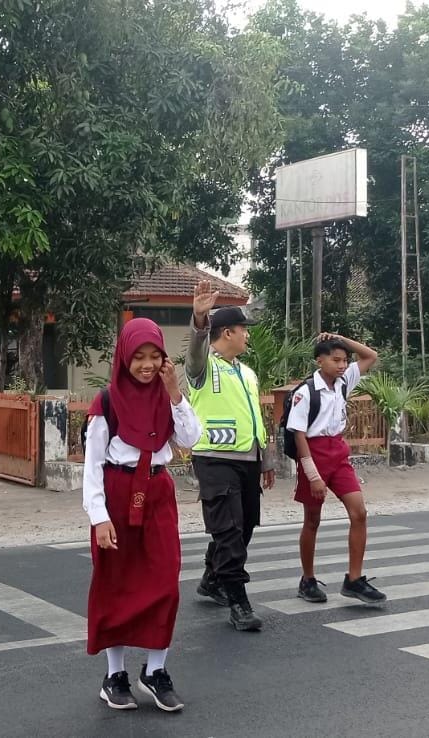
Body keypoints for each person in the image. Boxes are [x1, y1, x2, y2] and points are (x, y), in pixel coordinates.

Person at [83, 318, 201, 712]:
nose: (147, 365)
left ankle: (155, 671)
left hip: (157, 493)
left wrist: (175, 393)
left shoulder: (167, 398)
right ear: (124, 358)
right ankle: (114, 675)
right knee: (116, 584)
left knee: (165, 582)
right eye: (139, 357)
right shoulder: (107, 402)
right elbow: (92, 466)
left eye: (155, 356)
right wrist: (99, 517)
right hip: (117, 495)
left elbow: (190, 439)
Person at [186, 281, 275, 632]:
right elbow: (194, 351)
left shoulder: (247, 373)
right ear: (226, 332)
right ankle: (238, 600)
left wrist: (264, 460)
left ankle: (212, 578)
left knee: (246, 525)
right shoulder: (203, 367)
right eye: (243, 331)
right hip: (214, 458)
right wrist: (198, 318)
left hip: (247, 460)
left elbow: (254, 417)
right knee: (229, 529)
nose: (247, 337)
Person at [287, 333, 387, 604]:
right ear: (320, 361)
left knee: (359, 512)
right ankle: (307, 580)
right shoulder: (306, 392)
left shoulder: (343, 383)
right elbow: (299, 435)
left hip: (338, 453)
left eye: (344, 360)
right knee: (313, 520)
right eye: (336, 360)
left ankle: (354, 579)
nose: (342, 365)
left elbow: (370, 356)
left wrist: (341, 338)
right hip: (314, 454)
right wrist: (313, 475)